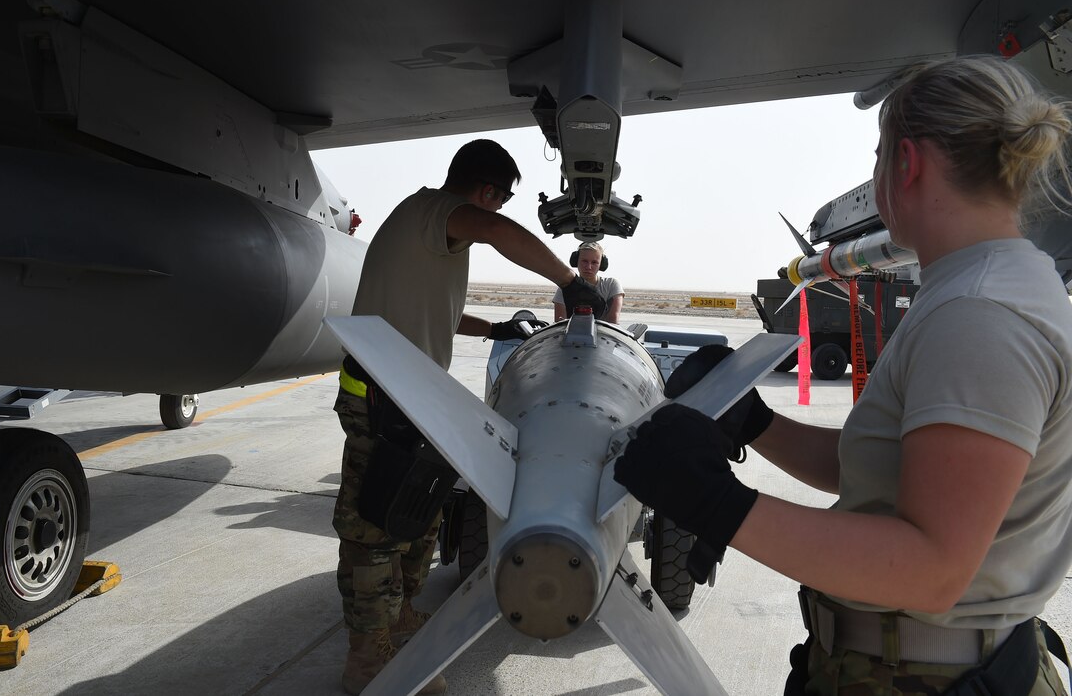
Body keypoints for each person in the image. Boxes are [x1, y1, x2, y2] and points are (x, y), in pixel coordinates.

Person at [613, 55, 1072, 695]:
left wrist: (720, 505)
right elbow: (893, 470)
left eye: (879, 158)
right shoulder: (977, 290)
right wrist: (755, 420)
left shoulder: (979, 316)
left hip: (928, 677)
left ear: (906, 164)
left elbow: (930, 567)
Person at [332, 139, 605, 695]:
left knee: (416, 515)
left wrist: (495, 330)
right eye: (499, 200)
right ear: (486, 193)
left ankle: (401, 615)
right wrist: (568, 281)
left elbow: (432, 314)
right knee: (375, 528)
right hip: (382, 395)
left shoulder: (425, 228)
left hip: (413, 396)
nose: (498, 211)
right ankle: (367, 658)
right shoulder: (438, 212)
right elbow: (502, 234)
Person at [553, 241, 625, 323]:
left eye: (594, 262)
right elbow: (559, 324)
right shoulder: (565, 287)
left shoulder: (611, 285)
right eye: (584, 261)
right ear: (576, 261)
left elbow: (613, 322)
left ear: (601, 265)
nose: (589, 267)